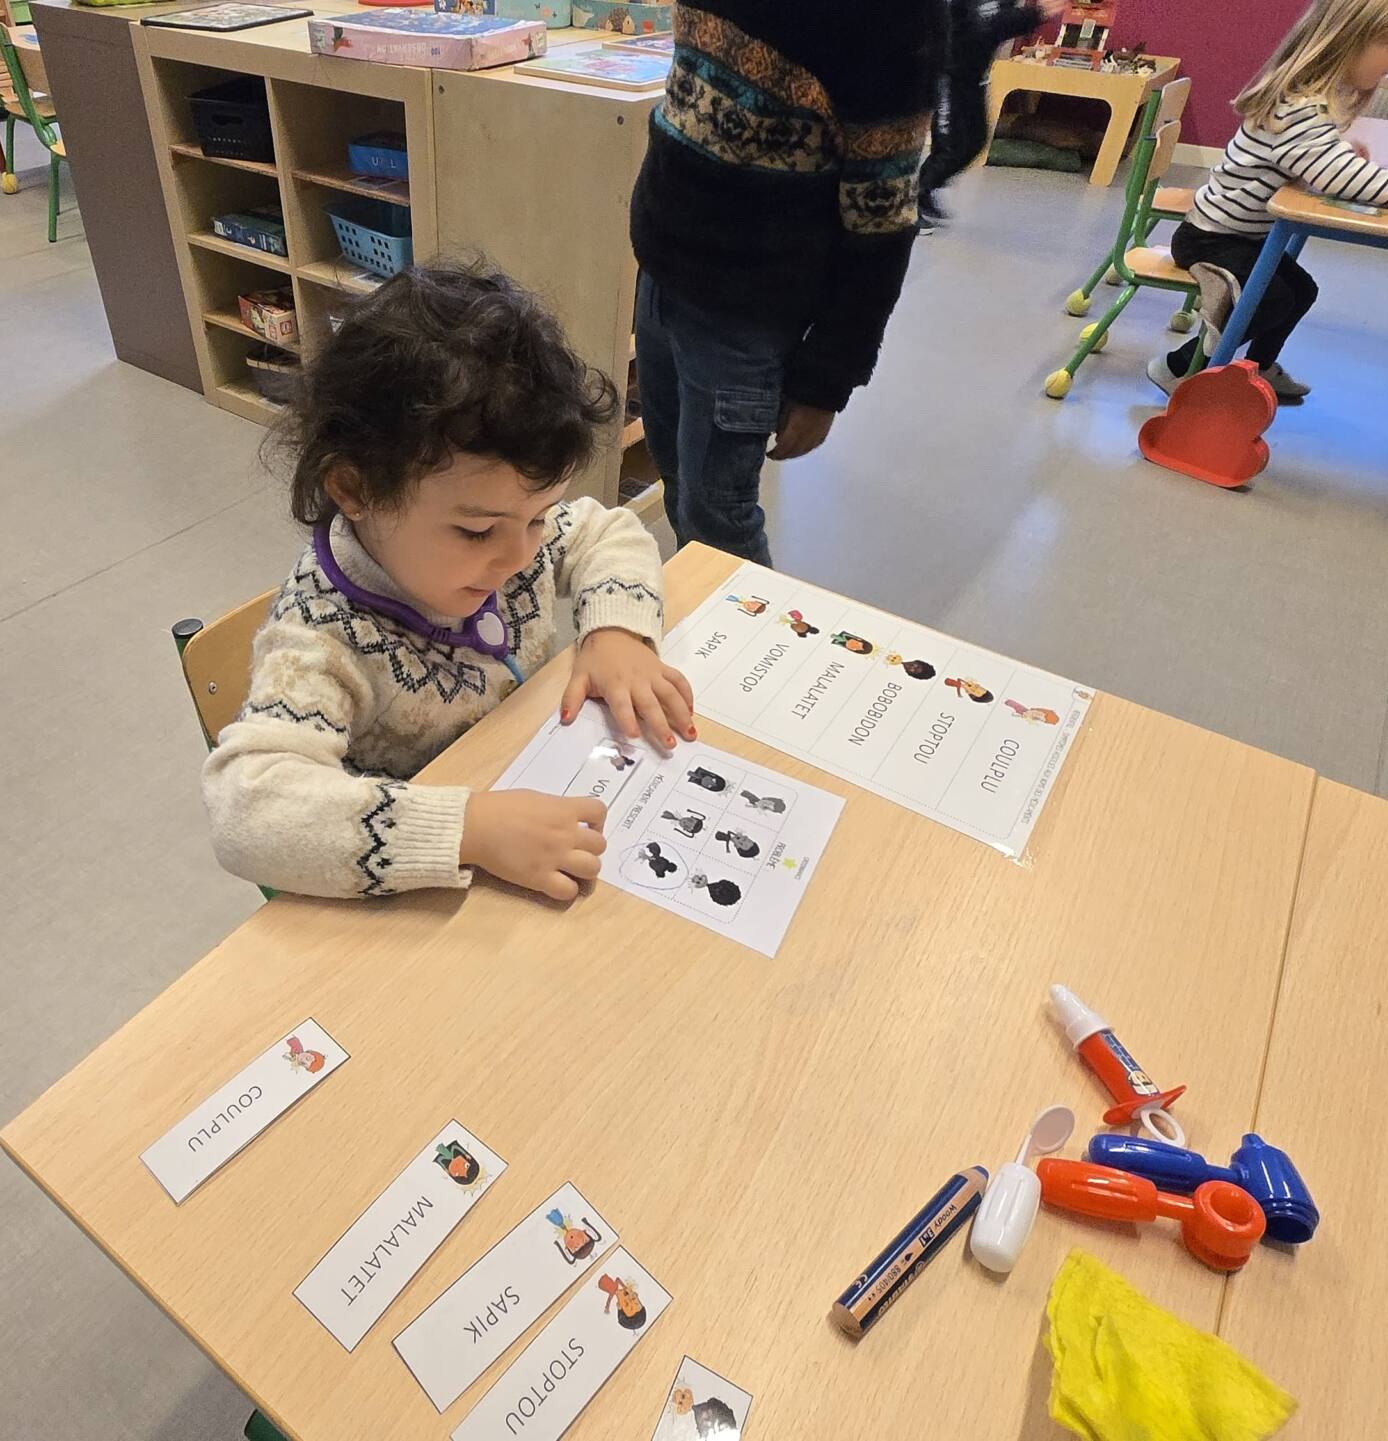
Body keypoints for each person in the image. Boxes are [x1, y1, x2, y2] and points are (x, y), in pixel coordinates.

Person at [204, 264, 693, 902]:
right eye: (477, 532)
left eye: (539, 517)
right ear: (354, 489)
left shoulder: (509, 530)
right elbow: (246, 812)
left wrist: (617, 633)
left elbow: (607, 532)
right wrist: (466, 829)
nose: (520, 555)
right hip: (432, 893)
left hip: (525, 774)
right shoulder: (319, 641)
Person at [629, 0, 945, 567]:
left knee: (717, 521)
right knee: (679, 486)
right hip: (660, 271)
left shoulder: (894, 17)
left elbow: (883, 220)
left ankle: (733, 627)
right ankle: (697, 613)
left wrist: (827, 381)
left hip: (745, 318)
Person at [1152, 0, 1388, 402]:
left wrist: (1338, 154)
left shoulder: (1308, 100)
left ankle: (1257, 367)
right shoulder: (1298, 107)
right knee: (1271, 300)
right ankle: (1180, 367)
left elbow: (1316, 161)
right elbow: (1339, 176)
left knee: (1301, 291)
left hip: (1243, 237)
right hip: (1212, 238)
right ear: (1347, 41)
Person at [915, 0, 1071, 224]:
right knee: (951, 146)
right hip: (950, 76)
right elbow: (983, 29)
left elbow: (999, 24)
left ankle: (924, 190)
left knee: (975, 142)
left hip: (975, 79)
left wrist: (1032, 15)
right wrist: (1034, 14)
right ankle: (914, 200)